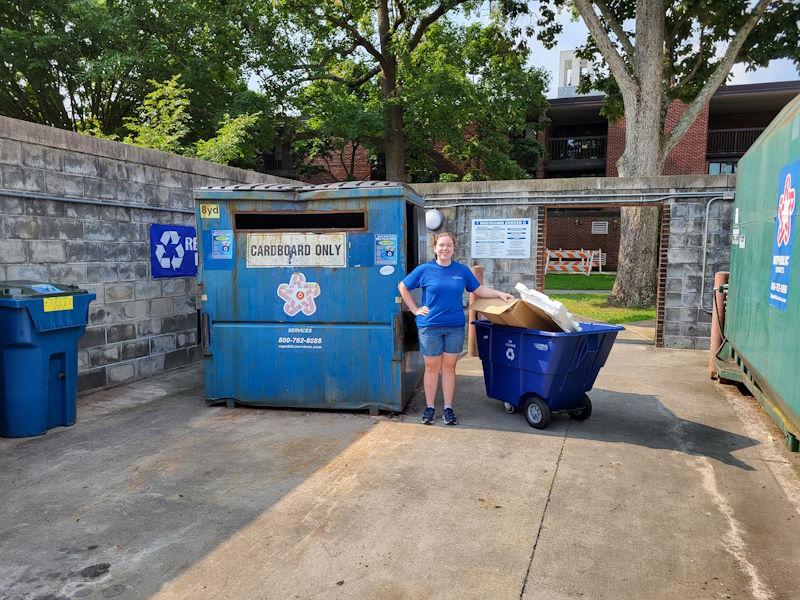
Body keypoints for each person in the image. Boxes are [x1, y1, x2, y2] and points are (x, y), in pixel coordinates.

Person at [398, 231, 513, 425]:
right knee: (432, 368)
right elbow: (403, 286)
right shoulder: (425, 270)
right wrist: (415, 309)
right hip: (430, 326)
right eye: (441, 245)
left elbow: (478, 290)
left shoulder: (461, 271)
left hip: (454, 326)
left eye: (448, 245)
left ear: (453, 248)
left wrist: (499, 293)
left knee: (449, 368)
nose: (444, 248)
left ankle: (448, 409)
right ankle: (430, 408)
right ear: (435, 248)